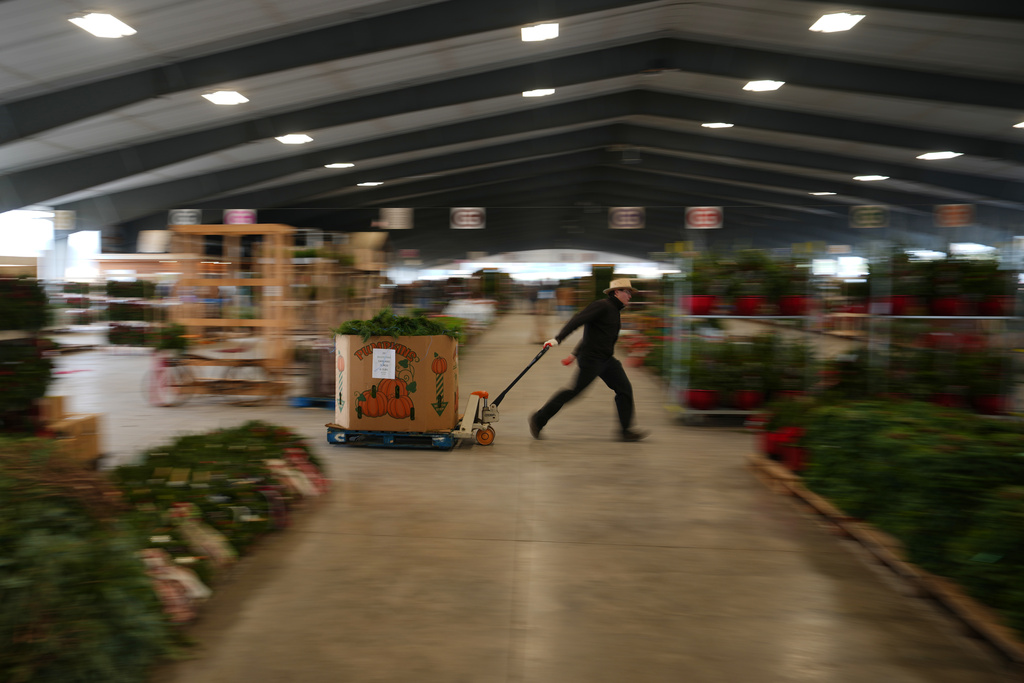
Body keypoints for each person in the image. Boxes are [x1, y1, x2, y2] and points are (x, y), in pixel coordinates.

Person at [529, 278, 648, 442]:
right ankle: (538, 419)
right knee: (573, 391)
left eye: (630, 292)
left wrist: (574, 353)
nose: (630, 296)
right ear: (616, 292)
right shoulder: (602, 306)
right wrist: (558, 339)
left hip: (606, 359)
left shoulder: (614, 310)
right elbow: (578, 319)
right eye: (627, 292)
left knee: (624, 389)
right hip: (592, 360)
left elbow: (593, 334)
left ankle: (626, 431)